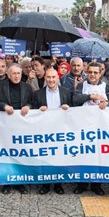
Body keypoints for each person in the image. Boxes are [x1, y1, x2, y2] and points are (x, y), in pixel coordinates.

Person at [33, 67, 83, 195]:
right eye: (48, 77)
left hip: (61, 132)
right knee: (45, 157)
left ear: (58, 78)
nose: (51, 80)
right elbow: (33, 112)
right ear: (45, 78)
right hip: (44, 132)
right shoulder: (38, 94)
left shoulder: (66, 92)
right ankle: (45, 184)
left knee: (59, 158)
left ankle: (58, 184)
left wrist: (68, 108)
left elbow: (73, 111)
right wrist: (39, 109)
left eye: (53, 77)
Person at [0, 64, 34, 194]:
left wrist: (29, 106)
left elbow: (33, 102)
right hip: (5, 127)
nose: (16, 76)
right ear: (8, 75)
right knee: (7, 154)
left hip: (22, 127)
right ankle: (6, 182)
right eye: (13, 73)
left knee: (21, 154)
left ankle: (20, 182)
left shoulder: (27, 87)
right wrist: (3, 106)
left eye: (19, 73)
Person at [72, 61, 109, 196]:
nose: (93, 75)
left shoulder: (107, 87)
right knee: (82, 155)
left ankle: (96, 184)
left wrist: (106, 103)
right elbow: (75, 99)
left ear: (100, 73)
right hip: (83, 127)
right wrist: (90, 96)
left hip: (100, 128)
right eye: (90, 72)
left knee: (98, 157)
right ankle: (81, 184)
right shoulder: (81, 85)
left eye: (96, 72)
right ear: (86, 72)